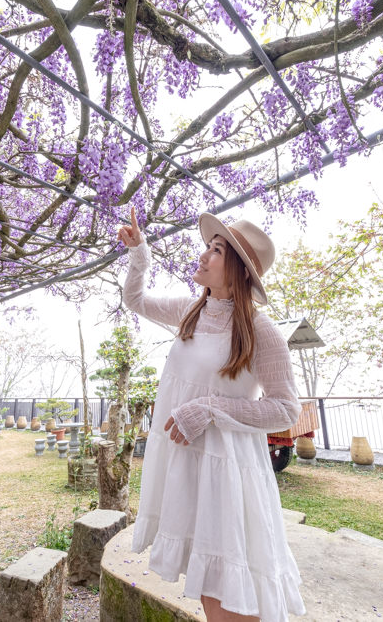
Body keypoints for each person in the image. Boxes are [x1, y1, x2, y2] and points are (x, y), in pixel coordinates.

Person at [117, 207, 306, 622]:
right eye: (207, 246)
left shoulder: (261, 330)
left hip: (227, 474)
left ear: (238, 269)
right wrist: (139, 254)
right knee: (209, 591)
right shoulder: (190, 310)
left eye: (216, 250)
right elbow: (134, 300)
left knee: (229, 597)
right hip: (188, 469)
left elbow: (286, 409)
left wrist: (209, 408)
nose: (203, 256)